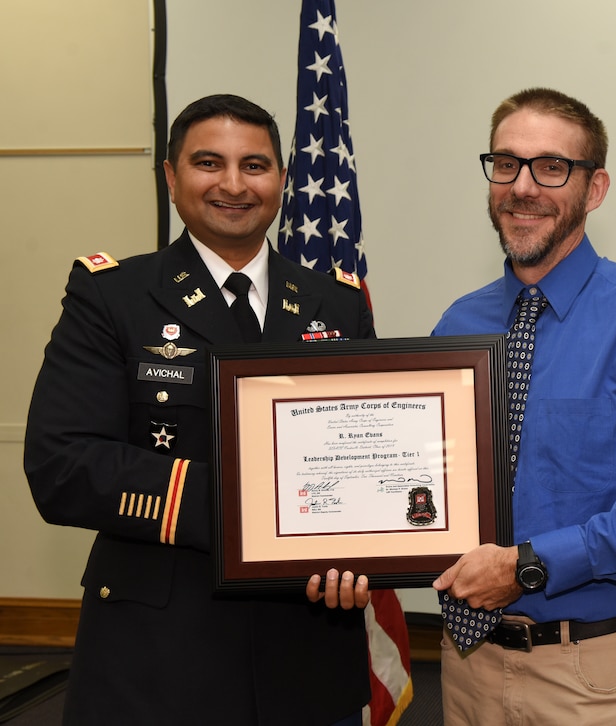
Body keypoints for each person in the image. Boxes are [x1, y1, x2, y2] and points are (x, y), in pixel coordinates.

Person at [25, 94, 375, 726]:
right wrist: (253, 506)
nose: (234, 185)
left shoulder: (337, 304)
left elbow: (362, 460)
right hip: (158, 655)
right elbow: (63, 466)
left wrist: (369, 548)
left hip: (307, 648)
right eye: (209, 163)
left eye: (256, 165)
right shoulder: (114, 296)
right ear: (171, 176)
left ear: (282, 179)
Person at [429, 87, 616, 725]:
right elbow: (428, 485)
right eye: (506, 164)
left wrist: (531, 567)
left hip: (588, 679)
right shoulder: (460, 321)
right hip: (465, 664)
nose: (523, 186)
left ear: (594, 189)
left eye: (551, 167)